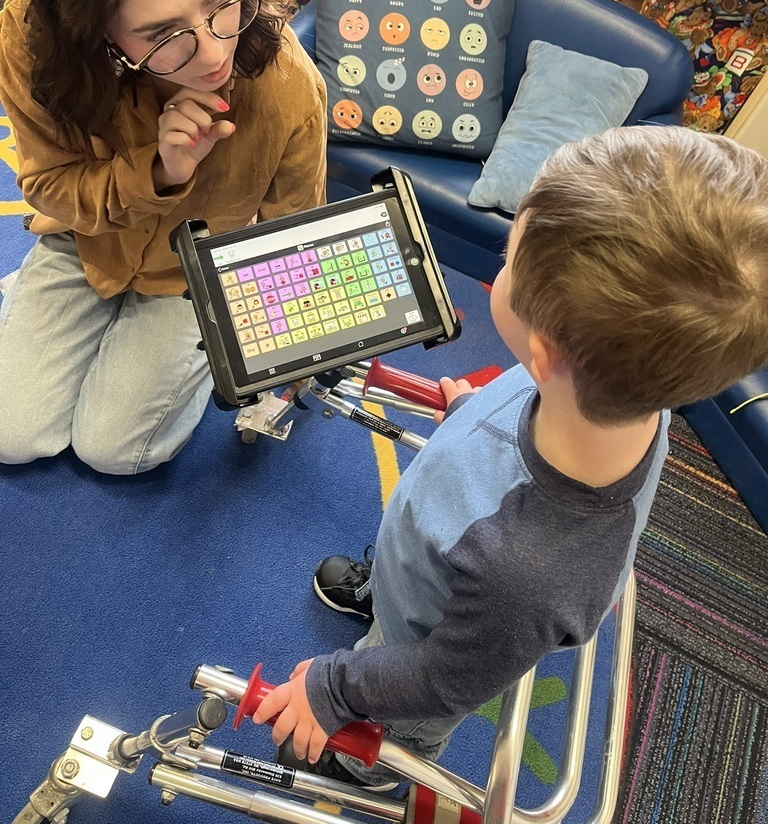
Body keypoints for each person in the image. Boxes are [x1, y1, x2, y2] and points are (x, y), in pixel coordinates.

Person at [254, 124, 768, 789]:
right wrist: (476, 410)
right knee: (415, 581)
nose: (500, 268)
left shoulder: (523, 573)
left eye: (507, 260)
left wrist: (334, 689)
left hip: (442, 646)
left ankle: (365, 764)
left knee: (403, 696)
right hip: (447, 564)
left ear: (547, 353)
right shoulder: (625, 392)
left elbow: (442, 679)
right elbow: (534, 395)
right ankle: (389, 598)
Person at [0, 0, 327, 475]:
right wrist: (156, 168)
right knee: (13, 434)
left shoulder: (286, 82)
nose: (214, 54)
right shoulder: (28, 32)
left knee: (115, 451)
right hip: (86, 236)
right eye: (162, 32)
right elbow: (45, 184)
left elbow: (295, 233)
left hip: (193, 274)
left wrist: (269, 351)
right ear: (93, 31)